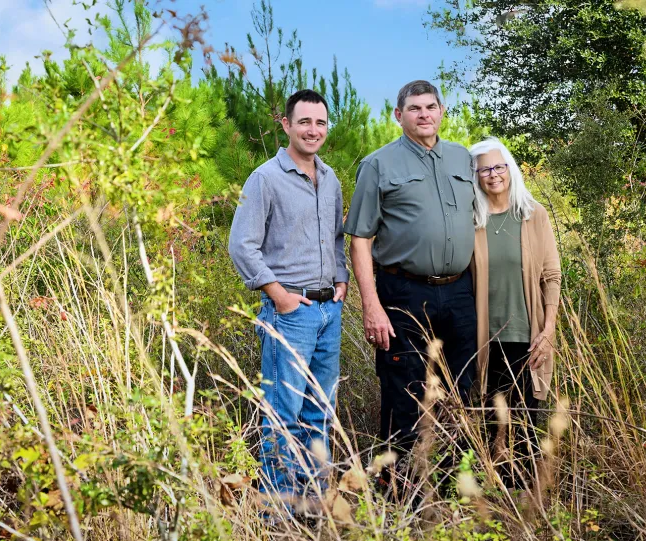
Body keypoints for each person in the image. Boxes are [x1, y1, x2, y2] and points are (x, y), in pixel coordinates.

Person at [344, 80, 477, 460]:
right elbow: (360, 240)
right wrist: (371, 306)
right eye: (415, 109)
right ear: (398, 115)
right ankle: (400, 486)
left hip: (459, 291)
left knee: (460, 386)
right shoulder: (378, 165)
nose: (424, 115)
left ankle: (453, 484)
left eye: (430, 107)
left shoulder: (462, 159)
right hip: (404, 291)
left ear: (441, 111)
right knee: (404, 387)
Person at [228, 90, 348, 500]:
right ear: (287, 125)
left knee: (320, 413)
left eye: (320, 123)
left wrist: (342, 278)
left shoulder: (330, 178)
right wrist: (278, 295)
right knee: (284, 415)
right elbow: (242, 245)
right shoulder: (265, 178)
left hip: (329, 311)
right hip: (289, 313)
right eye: (305, 122)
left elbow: (335, 238)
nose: (313, 130)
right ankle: (278, 514)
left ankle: (315, 507)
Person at [468, 137, 561, 486]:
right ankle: (496, 496)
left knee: (525, 420)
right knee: (493, 419)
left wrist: (548, 328)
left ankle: (523, 498)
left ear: (510, 168)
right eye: (484, 170)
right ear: (475, 177)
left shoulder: (534, 214)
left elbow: (552, 275)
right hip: (484, 338)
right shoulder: (471, 220)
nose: (493, 175)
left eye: (498, 166)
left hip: (528, 334)